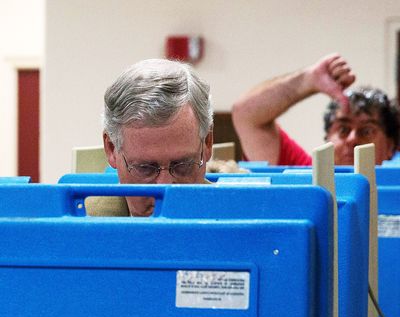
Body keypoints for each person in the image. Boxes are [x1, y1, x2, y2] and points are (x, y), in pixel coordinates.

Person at [86, 58, 214, 217]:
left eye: (183, 165)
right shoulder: (77, 228)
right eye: (145, 168)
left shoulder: (241, 221)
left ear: (207, 143)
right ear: (111, 149)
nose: (165, 187)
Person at [232, 54, 400, 166]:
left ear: (391, 147)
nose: (352, 139)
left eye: (367, 131)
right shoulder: (306, 180)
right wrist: (308, 80)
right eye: (343, 129)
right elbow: (246, 115)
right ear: (327, 137)